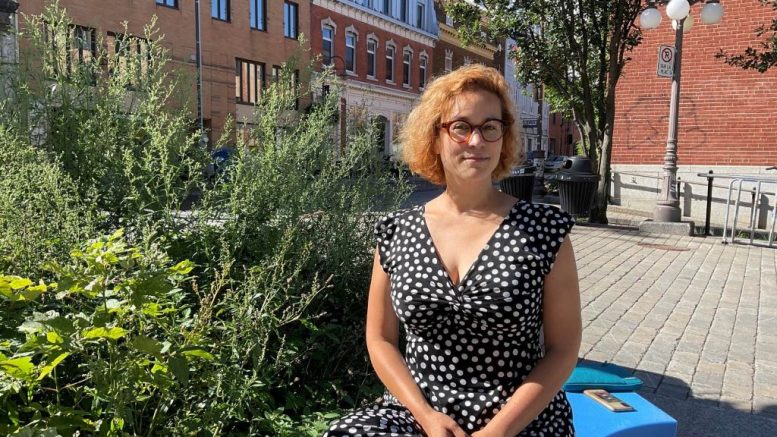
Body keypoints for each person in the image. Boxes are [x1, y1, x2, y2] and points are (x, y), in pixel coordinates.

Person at [325, 64, 581, 437]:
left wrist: (498, 431)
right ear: (435, 136)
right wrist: (425, 416)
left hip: (519, 418)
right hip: (418, 414)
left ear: (503, 138)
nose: (476, 142)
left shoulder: (544, 231)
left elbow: (563, 348)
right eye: (461, 127)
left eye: (489, 127)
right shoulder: (397, 231)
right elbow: (380, 339)